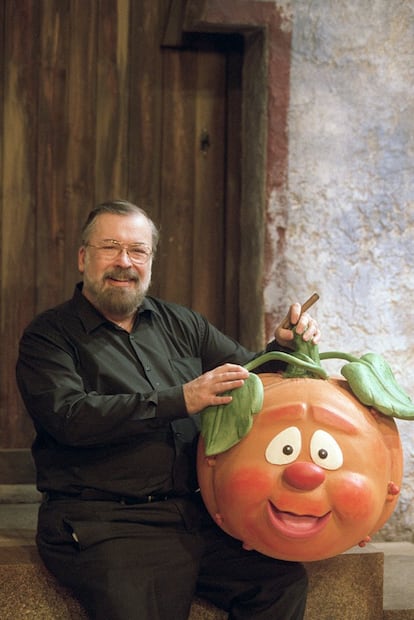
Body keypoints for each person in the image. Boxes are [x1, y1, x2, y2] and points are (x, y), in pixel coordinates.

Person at [16, 200, 320, 620]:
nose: (124, 262)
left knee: (280, 585)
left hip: (192, 514)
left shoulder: (183, 324)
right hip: (103, 522)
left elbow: (250, 378)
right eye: (110, 248)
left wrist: (283, 347)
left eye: (137, 251)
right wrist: (182, 399)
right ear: (83, 258)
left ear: (151, 262)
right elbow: (69, 418)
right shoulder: (48, 337)